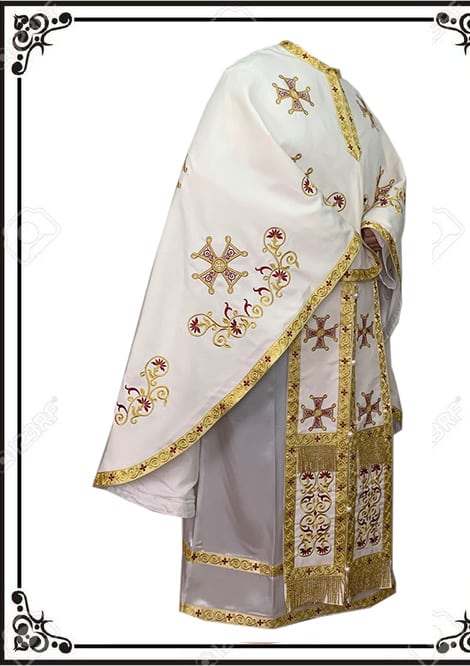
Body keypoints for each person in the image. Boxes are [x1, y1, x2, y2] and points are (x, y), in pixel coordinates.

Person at [93, 39, 406, 628]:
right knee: (260, 446)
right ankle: (251, 592)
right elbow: (233, 192)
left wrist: (375, 231)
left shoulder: (349, 93)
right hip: (277, 321)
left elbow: (391, 185)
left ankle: (344, 582)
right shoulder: (250, 80)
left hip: (351, 320)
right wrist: (337, 238)